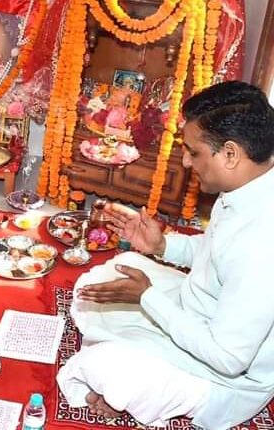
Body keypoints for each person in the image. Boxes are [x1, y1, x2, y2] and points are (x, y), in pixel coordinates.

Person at [57, 81, 274, 429]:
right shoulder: (248, 186)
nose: (186, 162)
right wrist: (162, 246)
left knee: (101, 367)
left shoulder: (262, 243)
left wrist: (148, 298)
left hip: (223, 377)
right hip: (199, 314)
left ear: (230, 154)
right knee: (123, 266)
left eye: (194, 152)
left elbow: (228, 358)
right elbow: (215, 253)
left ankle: (135, 384)